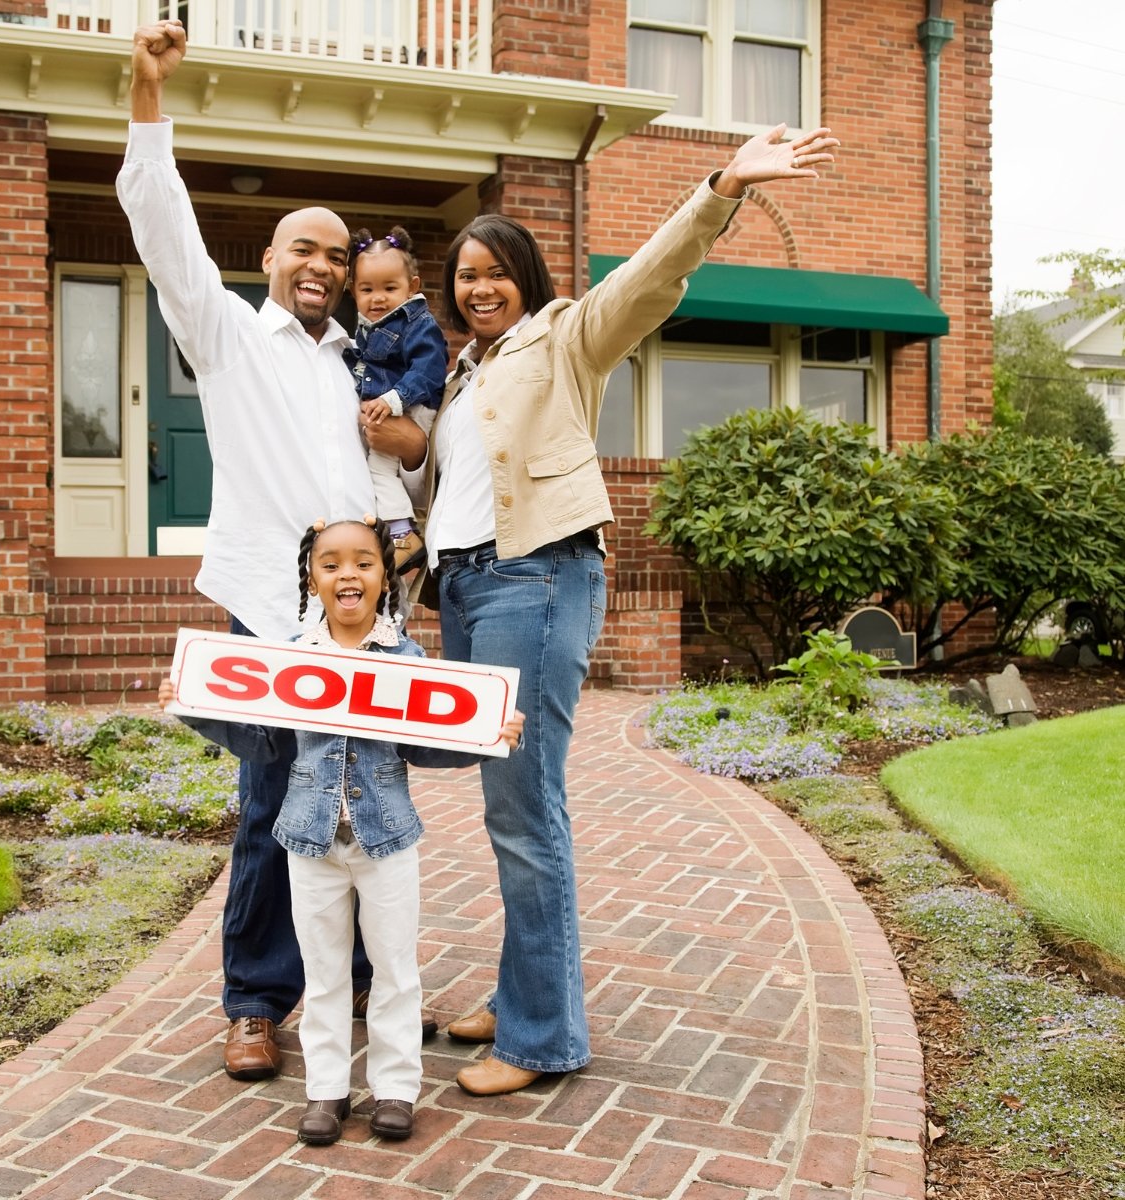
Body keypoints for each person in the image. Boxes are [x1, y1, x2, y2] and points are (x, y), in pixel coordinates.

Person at [410, 123, 841, 1096]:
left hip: (536, 577)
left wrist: (721, 187)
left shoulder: (565, 337)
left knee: (527, 807)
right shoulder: (464, 371)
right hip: (471, 591)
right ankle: (523, 995)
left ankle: (543, 1036)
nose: (479, 287)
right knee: (505, 804)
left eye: (494, 271)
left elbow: (649, 278)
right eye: (464, 275)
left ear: (526, 274)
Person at [117, 18, 429, 1084]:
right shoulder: (228, 338)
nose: (326, 267)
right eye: (306, 248)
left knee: (366, 799)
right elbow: (161, 226)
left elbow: (391, 480)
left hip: (368, 611)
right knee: (272, 803)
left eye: (339, 257)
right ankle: (255, 1001)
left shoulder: (359, 364)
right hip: (275, 603)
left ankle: (360, 989)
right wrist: (147, 95)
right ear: (269, 259)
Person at [160, 517, 525, 1145]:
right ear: (312, 578)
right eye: (331, 564)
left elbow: (426, 746)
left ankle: (395, 1090)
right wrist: (196, 710)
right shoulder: (292, 657)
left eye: (363, 562)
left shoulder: (405, 659)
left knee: (394, 971)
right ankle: (326, 1092)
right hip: (311, 841)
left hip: (387, 842)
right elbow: (264, 745)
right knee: (324, 973)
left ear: (385, 578)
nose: (347, 574)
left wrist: (486, 739)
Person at [343, 227, 449, 571]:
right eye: (367, 289)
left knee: (378, 470)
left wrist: (392, 400)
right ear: (352, 291)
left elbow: (430, 368)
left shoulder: (416, 321)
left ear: (412, 287)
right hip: (394, 408)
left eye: (390, 288)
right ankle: (399, 534)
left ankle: (404, 536)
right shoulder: (365, 329)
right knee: (375, 471)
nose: (378, 298)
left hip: (413, 408)